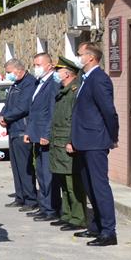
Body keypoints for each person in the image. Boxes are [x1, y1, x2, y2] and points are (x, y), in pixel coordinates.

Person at [69, 45, 119, 246]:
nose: (78, 58)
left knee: (99, 186)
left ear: (90, 58)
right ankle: (96, 226)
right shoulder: (86, 78)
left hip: (95, 141)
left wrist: (112, 136)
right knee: (89, 185)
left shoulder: (99, 79)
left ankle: (109, 232)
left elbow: (109, 111)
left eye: (80, 55)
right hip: (84, 141)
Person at [48, 57, 89, 233]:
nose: (56, 74)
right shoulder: (63, 91)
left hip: (67, 144)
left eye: (58, 71)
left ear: (67, 73)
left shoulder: (74, 91)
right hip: (58, 143)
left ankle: (79, 217)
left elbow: (75, 119)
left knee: (73, 183)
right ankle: (67, 214)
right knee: (64, 182)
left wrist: (73, 141)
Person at [0, 58, 36, 211]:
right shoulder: (15, 84)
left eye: (8, 72)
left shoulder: (29, 83)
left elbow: (23, 107)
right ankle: (20, 197)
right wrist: (2, 114)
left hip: (22, 130)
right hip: (13, 129)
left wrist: (6, 117)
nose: (7, 75)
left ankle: (30, 199)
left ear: (18, 70)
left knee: (24, 167)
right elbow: (8, 105)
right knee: (16, 167)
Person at [27, 51, 61, 222]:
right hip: (36, 135)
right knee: (40, 172)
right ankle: (43, 205)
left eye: (38, 65)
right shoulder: (40, 82)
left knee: (48, 175)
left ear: (49, 65)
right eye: (34, 65)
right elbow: (35, 111)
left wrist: (46, 134)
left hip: (45, 136)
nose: (35, 68)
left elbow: (52, 111)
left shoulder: (53, 83)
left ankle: (51, 208)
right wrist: (29, 132)